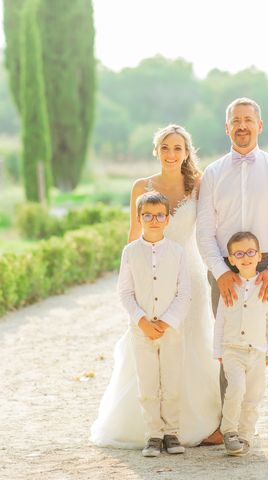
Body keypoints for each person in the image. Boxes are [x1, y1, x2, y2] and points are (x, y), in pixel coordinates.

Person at [90, 125, 221, 448]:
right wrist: (131, 286)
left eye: (178, 148)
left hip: (187, 274)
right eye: (165, 147)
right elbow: (133, 236)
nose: (171, 154)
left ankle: (191, 424)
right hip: (148, 276)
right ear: (156, 151)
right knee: (147, 345)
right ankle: (147, 427)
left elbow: (210, 230)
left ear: (187, 152)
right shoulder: (142, 186)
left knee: (191, 347)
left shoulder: (199, 184)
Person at [197, 97, 268, 452]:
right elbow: (205, 230)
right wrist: (219, 271)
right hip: (226, 270)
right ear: (227, 128)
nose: (242, 126)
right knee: (230, 344)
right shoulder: (212, 173)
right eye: (235, 121)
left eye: (248, 119)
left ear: (260, 125)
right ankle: (230, 428)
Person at [117, 191, 189, 457]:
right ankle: (153, 435)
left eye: (160, 215)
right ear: (139, 218)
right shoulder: (131, 252)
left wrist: (168, 321)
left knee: (171, 381)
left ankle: (172, 432)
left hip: (172, 331)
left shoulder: (177, 252)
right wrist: (141, 321)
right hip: (141, 330)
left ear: (168, 219)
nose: (154, 220)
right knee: (147, 383)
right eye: (148, 215)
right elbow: (124, 292)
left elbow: (184, 292)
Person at [214, 231, 268, 456]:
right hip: (232, 350)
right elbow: (220, 321)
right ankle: (230, 430)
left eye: (250, 252)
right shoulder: (228, 287)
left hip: (258, 352)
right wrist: (218, 351)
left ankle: (246, 434)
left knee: (253, 396)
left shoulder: (266, 287)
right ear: (231, 259)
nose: (246, 257)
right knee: (236, 389)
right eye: (239, 253)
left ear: (259, 255)